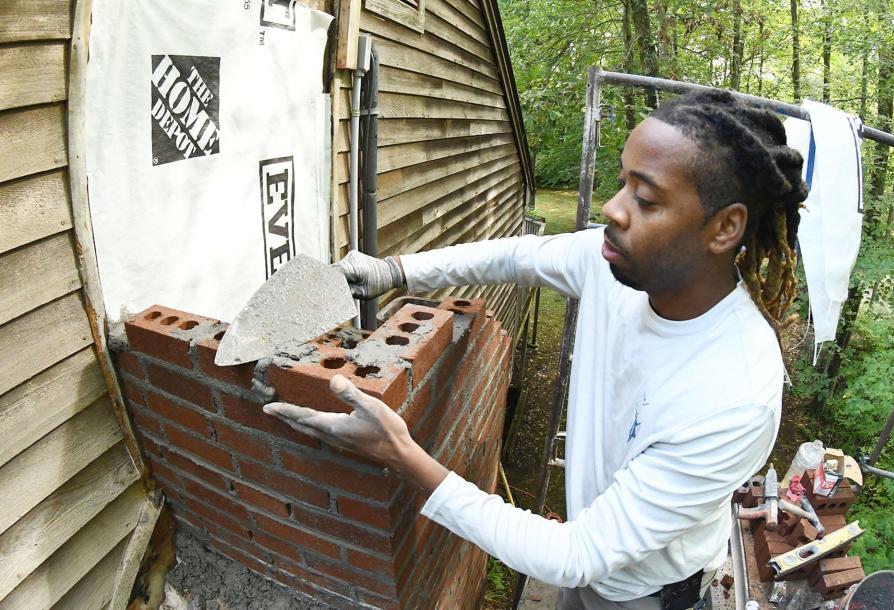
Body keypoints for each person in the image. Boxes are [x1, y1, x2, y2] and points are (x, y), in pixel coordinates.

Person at [263, 90, 808, 610]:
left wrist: (398, 454)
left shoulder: (734, 392)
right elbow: (518, 256)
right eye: (621, 183)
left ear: (725, 227)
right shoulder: (611, 262)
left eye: (645, 198)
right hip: (589, 563)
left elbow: (575, 555)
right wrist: (396, 271)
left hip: (642, 593)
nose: (613, 210)